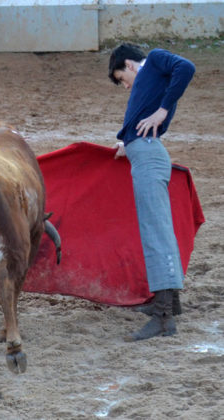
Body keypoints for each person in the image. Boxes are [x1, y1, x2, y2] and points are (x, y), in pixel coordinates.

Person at [108, 43, 196, 341]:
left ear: (130, 65)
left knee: (155, 232)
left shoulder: (155, 60)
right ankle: (169, 304)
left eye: (121, 78)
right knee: (157, 229)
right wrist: (127, 141)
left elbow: (187, 67)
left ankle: (163, 318)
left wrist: (162, 112)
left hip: (148, 155)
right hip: (143, 151)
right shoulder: (150, 79)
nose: (125, 86)